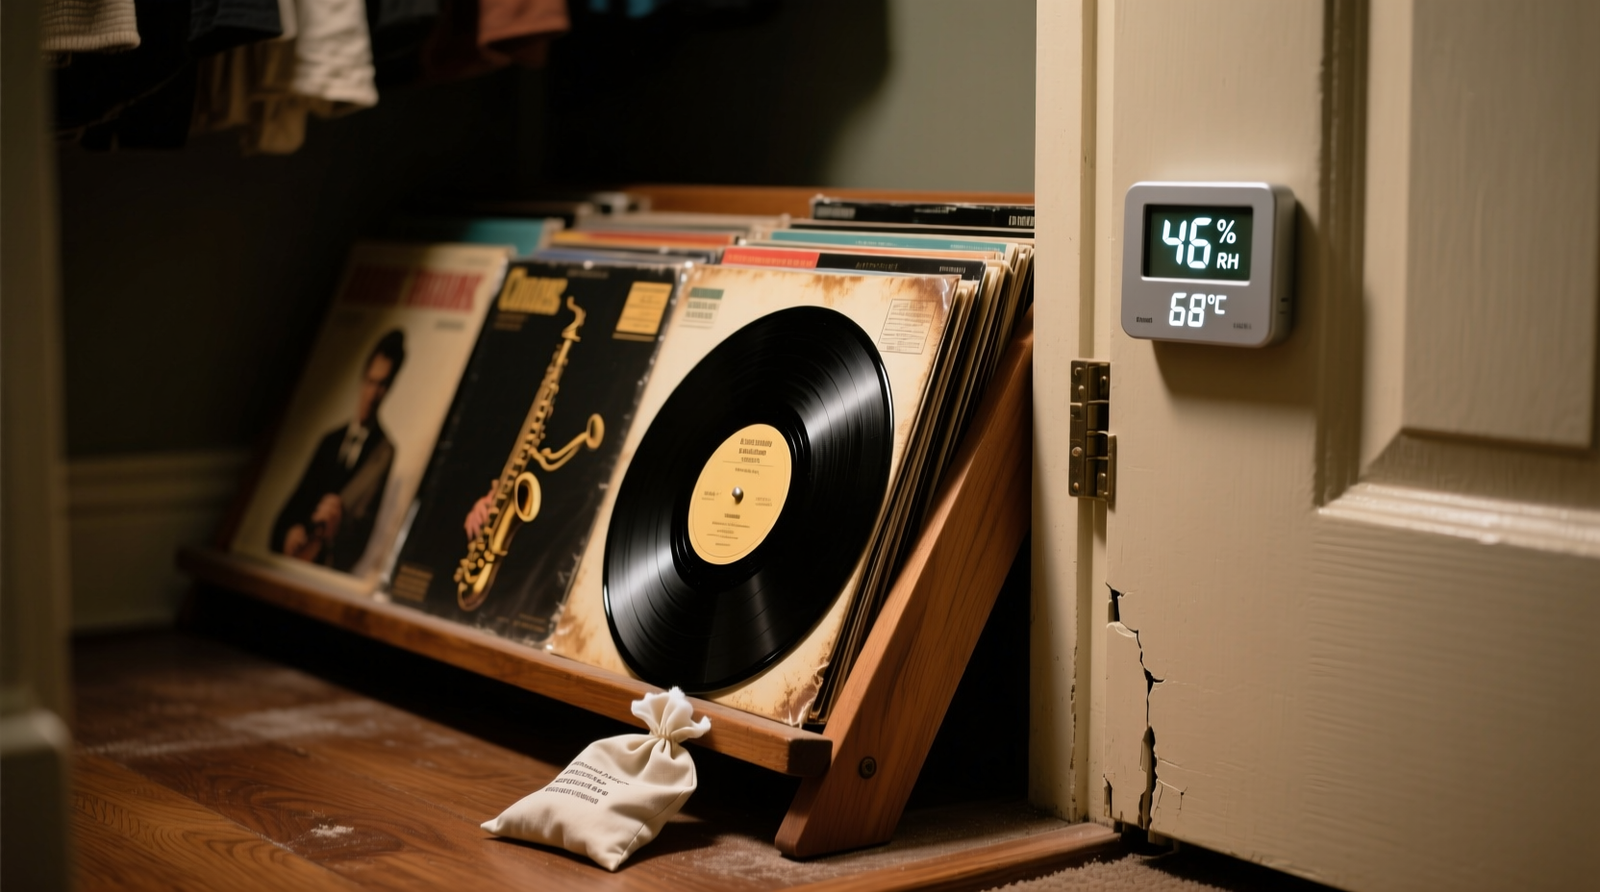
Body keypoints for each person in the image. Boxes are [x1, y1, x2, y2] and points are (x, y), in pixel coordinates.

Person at [272, 329, 406, 571]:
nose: (373, 394)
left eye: (382, 385)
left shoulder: (383, 452)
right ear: (363, 377)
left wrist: (336, 533)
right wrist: (290, 531)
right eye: (371, 382)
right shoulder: (330, 440)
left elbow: (362, 539)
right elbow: (294, 505)